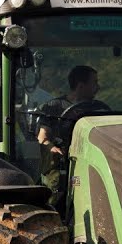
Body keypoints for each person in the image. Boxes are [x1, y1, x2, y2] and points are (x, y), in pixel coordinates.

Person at [36, 65, 101, 208]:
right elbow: (43, 138)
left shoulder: (98, 108)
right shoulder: (54, 107)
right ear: (81, 86)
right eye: (94, 83)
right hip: (62, 164)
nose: (98, 87)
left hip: (91, 159)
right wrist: (53, 149)